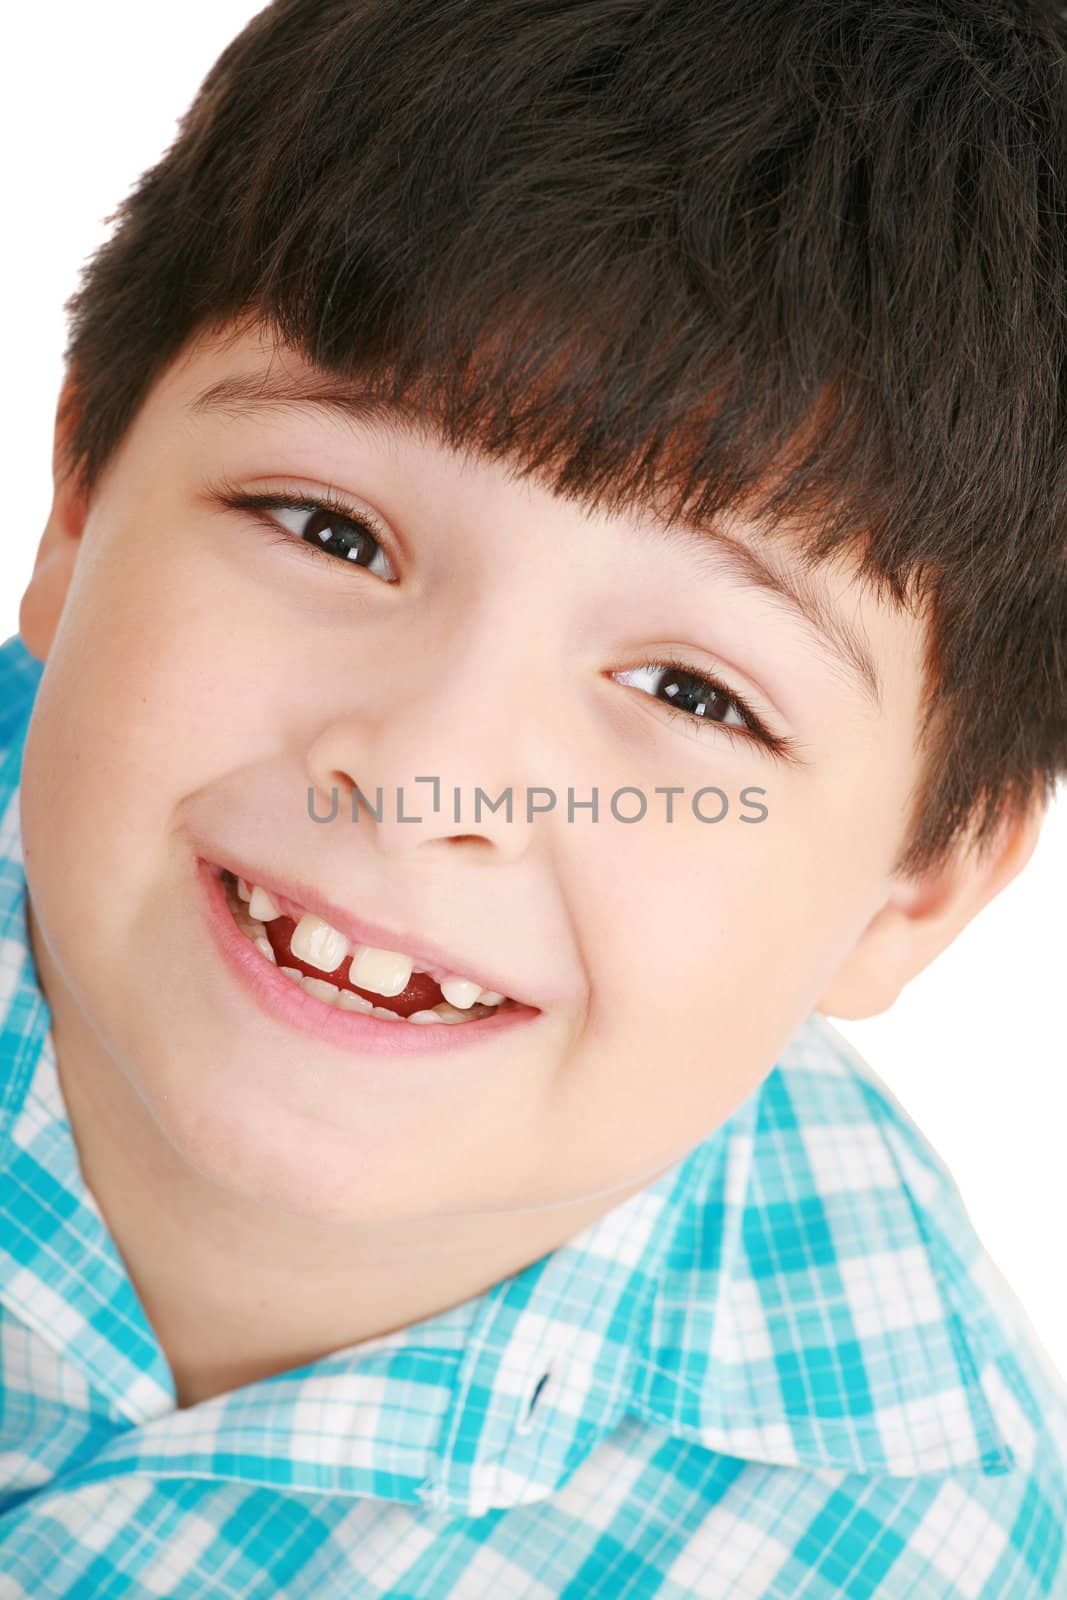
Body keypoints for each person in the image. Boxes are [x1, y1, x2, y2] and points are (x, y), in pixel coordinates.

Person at [1, 0, 1065, 1593]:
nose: (426, 780)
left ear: (920, 884)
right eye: (328, 529)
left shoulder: (918, 1553)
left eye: (695, 695)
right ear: (77, 501)